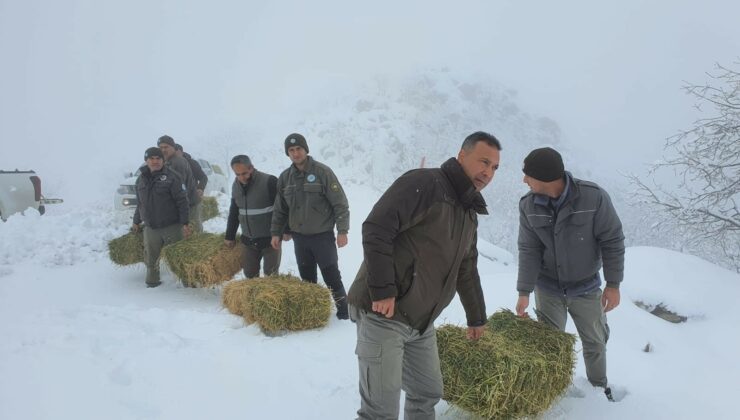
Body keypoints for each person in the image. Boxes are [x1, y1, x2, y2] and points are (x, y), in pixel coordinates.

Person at [347, 131, 502, 419]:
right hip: (384, 312)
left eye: (494, 167)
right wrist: (383, 289)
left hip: (421, 321)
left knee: (427, 392)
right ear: (461, 156)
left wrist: (477, 317)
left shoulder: (468, 213)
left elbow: (466, 268)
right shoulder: (424, 184)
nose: (488, 172)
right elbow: (377, 228)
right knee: (380, 411)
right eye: (483, 161)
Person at [515, 147, 625, 402]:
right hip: (548, 288)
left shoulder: (593, 198)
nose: (524, 181)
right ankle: (553, 391)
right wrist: (524, 291)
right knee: (550, 344)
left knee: (595, 343)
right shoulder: (528, 206)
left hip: (586, 287)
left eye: (528, 175)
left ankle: (598, 389)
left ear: (545, 178)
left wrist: (613, 284)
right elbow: (528, 249)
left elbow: (612, 240)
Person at [271, 133, 350, 320]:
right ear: (287, 153)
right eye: (291, 150)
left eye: (298, 149)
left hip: (322, 236)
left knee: (331, 275)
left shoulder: (323, 172)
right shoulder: (285, 178)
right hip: (300, 238)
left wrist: (342, 231)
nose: (296, 153)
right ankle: (313, 313)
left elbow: (340, 203)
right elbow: (280, 209)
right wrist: (276, 232)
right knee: (307, 278)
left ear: (306, 149)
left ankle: (344, 311)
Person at [132, 147, 191, 287]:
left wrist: (185, 223)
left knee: (178, 257)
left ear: (163, 160)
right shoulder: (140, 180)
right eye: (151, 159)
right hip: (151, 228)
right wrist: (136, 221)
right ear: (146, 161)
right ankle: (152, 283)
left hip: (172, 226)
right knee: (151, 258)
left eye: (158, 158)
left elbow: (182, 201)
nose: (155, 161)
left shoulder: (172, 177)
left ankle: (188, 283)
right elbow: (140, 203)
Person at [225, 154, 281, 278]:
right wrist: (230, 235)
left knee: (271, 275)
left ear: (251, 168)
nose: (241, 178)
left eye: (244, 173)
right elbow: (234, 212)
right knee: (249, 274)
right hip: (248, 240)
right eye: (237, 174)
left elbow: (282, 209)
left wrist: (283, 231)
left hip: (270, 240)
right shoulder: (235, 186)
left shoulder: (269, 181)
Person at [157, 135, 202, 232]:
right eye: (160, 148)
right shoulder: (167, 162)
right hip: (183, 205)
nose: (163, 150)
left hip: (189, 205)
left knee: (193, 235)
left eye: (166, 147)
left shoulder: (177, 162)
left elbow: (179, 188)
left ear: (173, 147)